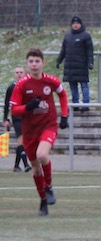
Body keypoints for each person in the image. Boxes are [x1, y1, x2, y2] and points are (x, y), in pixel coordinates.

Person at [8, 48, 69, 216]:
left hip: (48, 126)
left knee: (42, 155)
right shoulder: (22, 85)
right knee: (35, 167)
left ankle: (48, 186)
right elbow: (15, 110)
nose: (34, 64)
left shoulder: (51, 81)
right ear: (27, 65)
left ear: (43, 63)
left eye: (37, 61)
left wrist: (64, 115)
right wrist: (28, 107)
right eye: (31, 61)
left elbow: (63, 96)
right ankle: (43, 200)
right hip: (30, 131)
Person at [55, 16, 94, 113]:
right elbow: (63, 50)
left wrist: (90, 63)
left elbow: (90, 51)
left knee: (84, 85)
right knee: (73, 86)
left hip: (81, 66)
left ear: (81, 24)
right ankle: (75, 104)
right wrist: (59, 60)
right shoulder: (67, 36)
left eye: (77, 23)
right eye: (74, 23)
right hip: (70, 67)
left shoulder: (86, 36)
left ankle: (86, 104)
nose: (75, 25)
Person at [4, 65, 30, 171]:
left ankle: (16, 166)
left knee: (23, 142)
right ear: (14, 75)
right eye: (17, 72)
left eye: (21, 72)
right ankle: (26, 164)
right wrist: (5, 118)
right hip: (17, 117)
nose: (19, 74)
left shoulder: (28, 86)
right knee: (21, 139)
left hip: (27, 117)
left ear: (25, 74)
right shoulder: (11, 88)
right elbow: (7, 104)